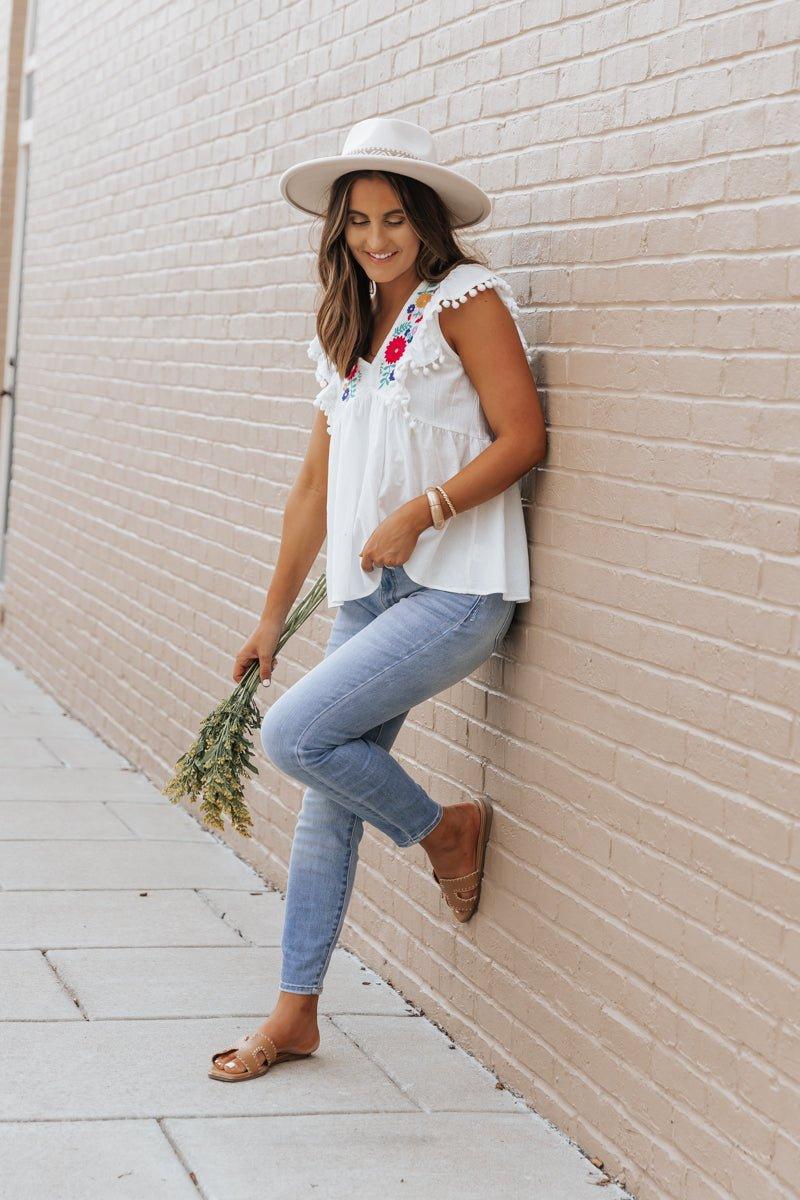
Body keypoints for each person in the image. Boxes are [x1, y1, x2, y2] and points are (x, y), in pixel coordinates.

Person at [209, 117, 546, 1082]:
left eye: (395, 217)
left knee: (295, 740)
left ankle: (447, 831)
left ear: (425, 220)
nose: (377, 237)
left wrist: (424, 511)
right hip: (368, 595)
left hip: (457, 588)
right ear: (339, 232)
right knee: (324, 797)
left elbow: (522, 437)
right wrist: (270, 618)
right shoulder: (348, 336)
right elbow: (312, 491)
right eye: (358, 221)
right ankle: (296, 1013)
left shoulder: (465, 300)